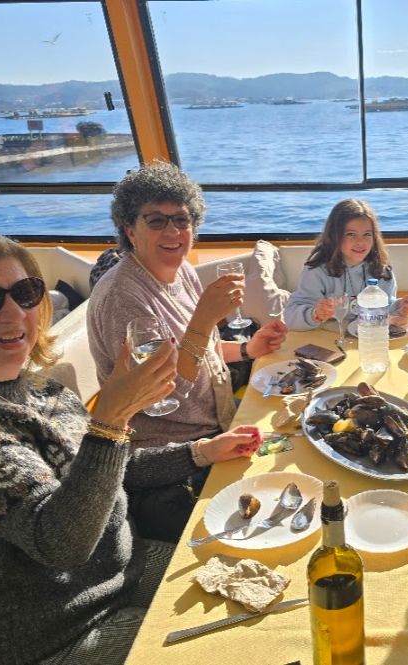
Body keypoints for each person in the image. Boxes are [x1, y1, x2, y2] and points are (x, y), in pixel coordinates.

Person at [0, 232, 262, 665]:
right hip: (53, 635)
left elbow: (115, 467)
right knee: (236, 652)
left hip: (119, 574)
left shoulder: (44, 394)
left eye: (26, 292)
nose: (15, 312)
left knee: (254, 584)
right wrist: (111, 420)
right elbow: (60, 542)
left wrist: (201, 451)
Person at [87, 162, 286, 542]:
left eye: (181, 219)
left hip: (216, 425)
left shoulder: (183, 273)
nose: (174, 231)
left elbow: (203, 353)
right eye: (156, 221)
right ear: (129, 229)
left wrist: (247, 348)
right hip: (168, 459)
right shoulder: (122, 298)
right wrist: (205, 318)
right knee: (263, 524)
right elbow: (164, 395)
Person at [284, 198, 408, 330]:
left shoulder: (381, 270)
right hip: (331, 339)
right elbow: (291, 317)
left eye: (366, 234)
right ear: (334, 236)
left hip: (369, 338)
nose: (360, 242)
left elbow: (386, 308)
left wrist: (400, 308)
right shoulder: (317, 270)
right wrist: (315, 314)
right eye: (351, 234)